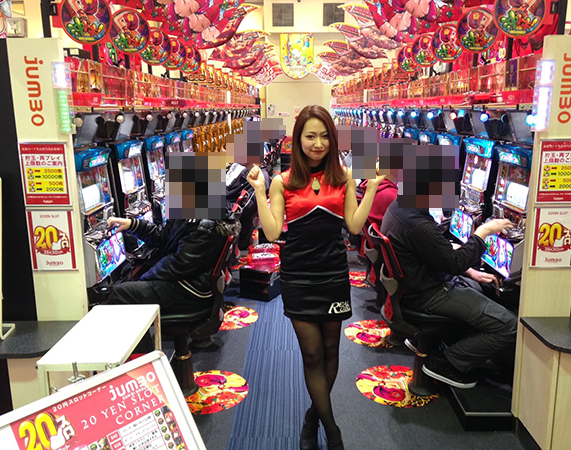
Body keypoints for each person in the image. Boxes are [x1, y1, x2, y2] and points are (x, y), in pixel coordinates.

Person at [246, 105, 384, 450]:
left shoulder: (344, 177)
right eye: (310, 136)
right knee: (311, 354)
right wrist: (260, 191)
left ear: (332, 140)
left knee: (331, 350)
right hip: (298, 276)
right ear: (298, 140)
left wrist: (370, 189)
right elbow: (273, 233)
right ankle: (332, 430)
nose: (318, 143)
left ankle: (313, 417)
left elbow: (354, 226)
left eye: (324, 136)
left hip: (333, 273)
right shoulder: (283, 181)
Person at [380, 203, 518, 389]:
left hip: (412, 288)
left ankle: (439, 340)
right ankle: (445, 362)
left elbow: (434, 254)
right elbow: (455, 263)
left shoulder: (398, 206)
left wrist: (470, 271)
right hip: (428, 294)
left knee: (477, 287)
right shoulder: (418, 224)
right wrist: (483, 231)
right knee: (509, 326)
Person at [106, 216, 240, 350]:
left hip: (192, 291)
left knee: (122, 294)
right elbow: (163, 237)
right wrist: (133, 224)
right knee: (133, 284)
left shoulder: (206, 224)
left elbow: (179, 266)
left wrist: (144, 277)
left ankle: (143, 358)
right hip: (193, 280)